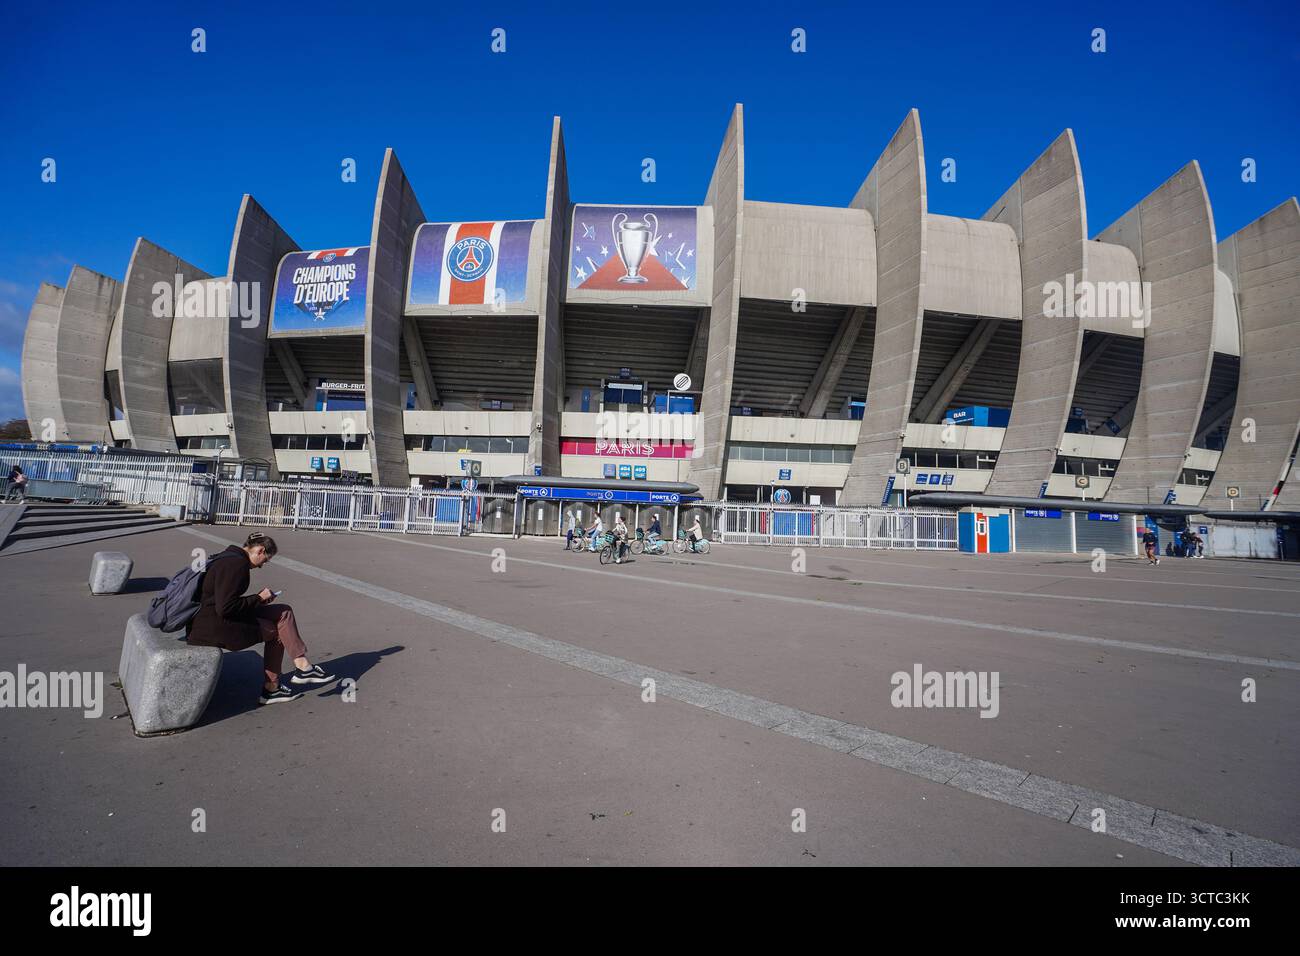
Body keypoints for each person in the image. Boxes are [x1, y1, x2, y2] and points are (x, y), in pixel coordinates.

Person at [185, 532, 336, 704]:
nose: (262, 566)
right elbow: (225, 608)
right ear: (260, 550)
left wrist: (259, 600)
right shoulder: (236, 565)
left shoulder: (230, 557)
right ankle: (272, 688)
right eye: (265, 560)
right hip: (214, 627)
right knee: (277, 631)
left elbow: (226, 601)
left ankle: (302, 665)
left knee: (284, 612)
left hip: (213, 618)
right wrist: (258, 598)